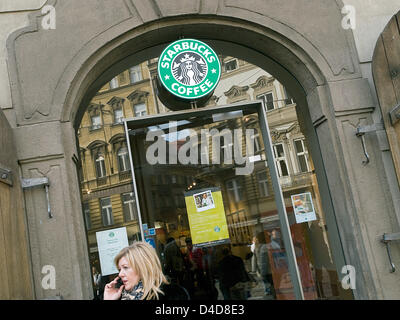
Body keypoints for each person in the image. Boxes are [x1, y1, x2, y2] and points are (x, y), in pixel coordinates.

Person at [103, 241, 189, 300]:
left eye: (125, 267)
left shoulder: (171, 295)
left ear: (143, 268)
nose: (120, 274)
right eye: (119, 269)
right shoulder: (120, 296)